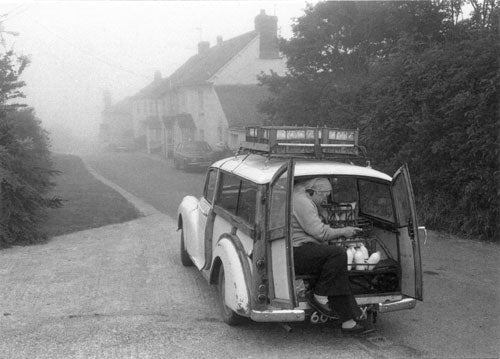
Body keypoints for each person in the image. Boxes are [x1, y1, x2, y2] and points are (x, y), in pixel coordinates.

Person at [292, 177, 372, 334]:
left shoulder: (305, 198)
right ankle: (319, 294)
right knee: (338, 254)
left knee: (338, 273)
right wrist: (344, 231)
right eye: (324, 195)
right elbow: (320, 233)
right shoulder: (301, 201)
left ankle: (348, 321)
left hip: (307, 248)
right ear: (313, 192)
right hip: (297, 251)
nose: (326, 199)